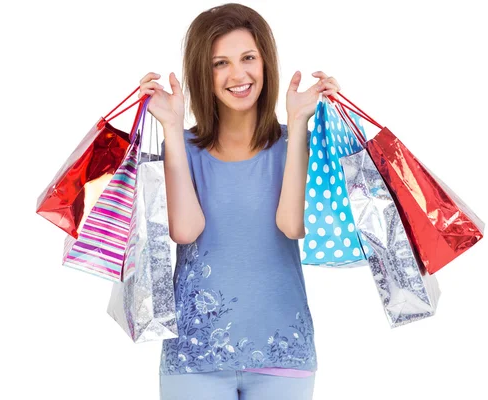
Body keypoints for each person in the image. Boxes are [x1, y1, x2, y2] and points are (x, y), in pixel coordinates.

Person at [138, 3, 341, 399]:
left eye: (248, 58)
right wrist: (173, 131)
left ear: (265, 62)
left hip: (283, 356)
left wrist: (298, 123)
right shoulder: (185, 148)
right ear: (203, 72)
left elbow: (292, 225)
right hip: (193, 359)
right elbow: (186, 230)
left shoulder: (292, 144)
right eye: (220, 63)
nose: (238, 75)